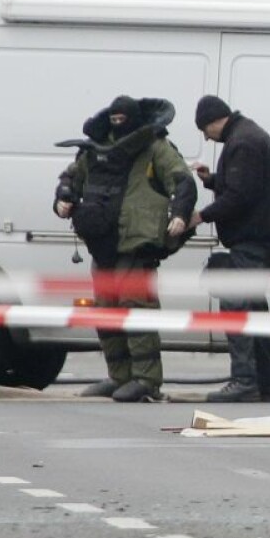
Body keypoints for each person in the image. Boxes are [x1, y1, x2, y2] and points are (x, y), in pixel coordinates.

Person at [54, 95, 196, 402]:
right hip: (102, 241)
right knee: (105, 310)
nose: (119, 124)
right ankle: (119, 376)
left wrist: (181, 215)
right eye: (114, 119)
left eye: (123, 118)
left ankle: (146, 380)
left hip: (136, 243)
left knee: (137, 310)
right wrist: (63, 198)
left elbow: (182, 181)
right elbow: (71, 178)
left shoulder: (154, 146)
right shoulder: (94, 149)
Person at [189, 96, 270, 403]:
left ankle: (244, 380)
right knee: (255, 313)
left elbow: (240, 197)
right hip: (260, 242)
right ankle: (269, 385)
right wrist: (212, 181)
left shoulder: (242, 143)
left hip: (251, 243)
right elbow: (243, 185)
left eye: (205, 129)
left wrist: (201, 216)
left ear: (215, 120)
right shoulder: (248, 135)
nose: (206, 137)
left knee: (236, 308)